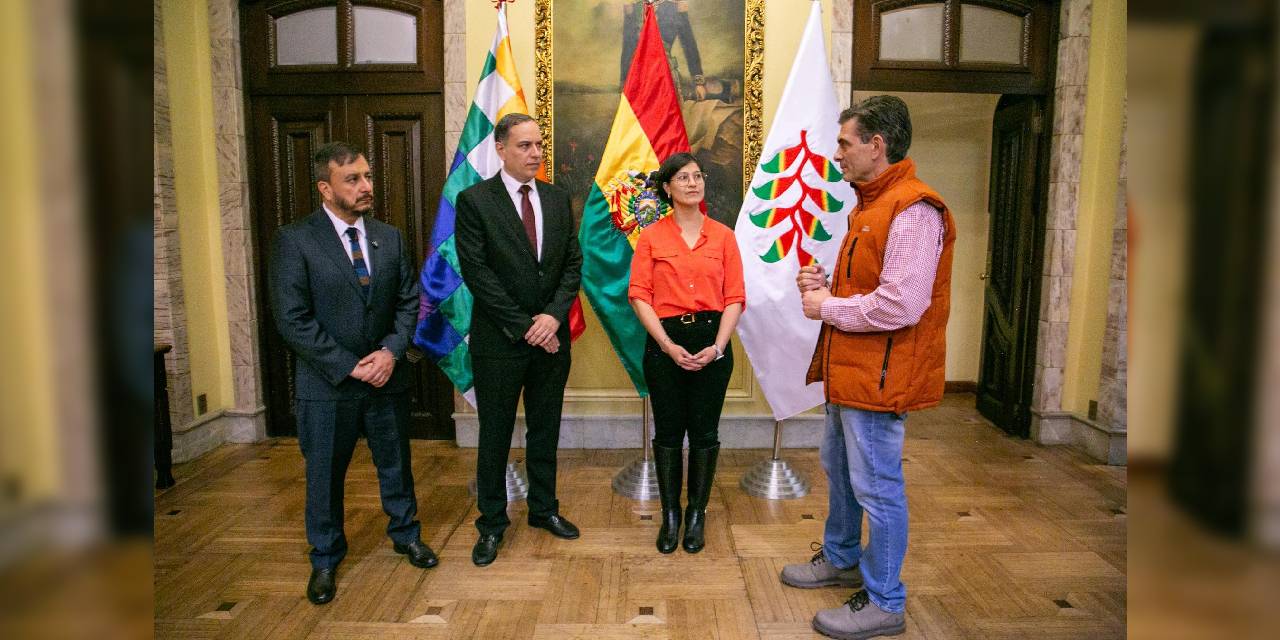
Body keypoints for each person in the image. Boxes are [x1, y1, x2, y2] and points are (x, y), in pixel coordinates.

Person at [782, 95, 956, 639]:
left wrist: (826, 306)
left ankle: (885, 600)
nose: (838, 154)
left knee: (878, 488)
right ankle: (840, 557)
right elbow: (872, 290)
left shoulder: (914, 209)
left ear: (875, 146)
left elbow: (901, 304)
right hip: (851, 371)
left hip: (881, 379)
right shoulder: (871, 204)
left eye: (844, 143)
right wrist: (826, 289)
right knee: (840, 471)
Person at [268, 142, 438, 606]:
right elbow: (292, 319)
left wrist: (389, 353)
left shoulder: (389, 236)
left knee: (396, 465)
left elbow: (409, 301)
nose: (366, 187)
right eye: (353, 179)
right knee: (324, 474)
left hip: (387, 378)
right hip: (327, 386)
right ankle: (325, 557)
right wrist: (349, 366)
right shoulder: (295, 240)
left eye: (367, 176)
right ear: (326, 188)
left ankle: (406, 534)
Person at [455, 113, 584, 567]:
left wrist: (551, 317)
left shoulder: (556, 197)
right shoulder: (474, 201)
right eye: (525, 146)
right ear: (501, 149)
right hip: (500, 342)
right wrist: (525, 325)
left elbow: (571, 265)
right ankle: (491, 524)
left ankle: (543, 510)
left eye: (539, 145)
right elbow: (478, 273)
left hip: (551, 340)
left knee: (545, 430)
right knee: (495, 434)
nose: (535, 153)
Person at [627, 152, 745, 554]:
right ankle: (671, 515)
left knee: (705, 432)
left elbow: (735, 297)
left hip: (714, 340)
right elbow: (639, 295)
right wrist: (667, 345)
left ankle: (696, 513)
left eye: (698, 176)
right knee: (669, 432)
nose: (694, 183)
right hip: (666, 343)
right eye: (683, 178)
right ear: (667, 188)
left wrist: (718, 347)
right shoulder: (652, 237)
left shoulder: (724, 236)